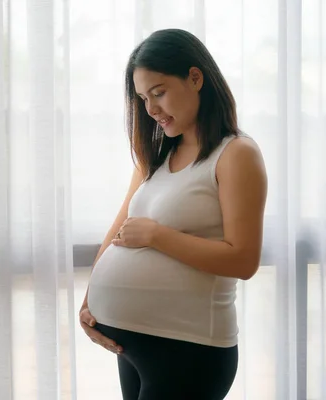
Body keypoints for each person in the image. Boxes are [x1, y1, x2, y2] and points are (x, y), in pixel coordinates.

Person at [78, 28, 268, 400]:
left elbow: (243, 259)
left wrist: (156, 236)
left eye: (159, 92)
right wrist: (89, 301)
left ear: (195, 78)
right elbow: (120, 229)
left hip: (189, 348)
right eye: (142, 98)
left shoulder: (236, 154)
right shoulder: (156, 155)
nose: (150, 109)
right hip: (131, 347)